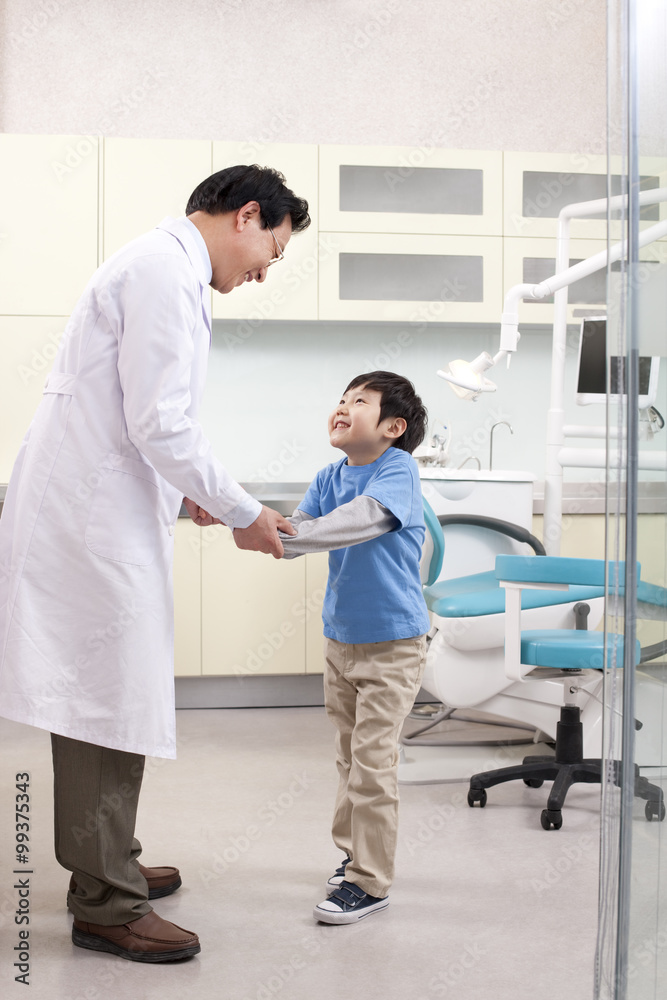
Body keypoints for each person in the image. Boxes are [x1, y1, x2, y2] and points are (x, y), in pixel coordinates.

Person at [0, 165, 310, 962]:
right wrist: (242, 511)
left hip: (99, 512)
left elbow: (144, 420)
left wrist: (190, 493)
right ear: (247, 215)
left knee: (116, 693)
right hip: (86, 526)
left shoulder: (163, 268)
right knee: (101, 701)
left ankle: (110, 860)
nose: (262, 273)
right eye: (269, 252)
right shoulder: (161, 271)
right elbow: (161, 422)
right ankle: (105, 901)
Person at [277, 370, 430, 924]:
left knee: (371, 763)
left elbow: (359, 521)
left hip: (393, 643)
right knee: (348, 759)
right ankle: (353, 858)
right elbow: (296, 536)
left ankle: (370, 881)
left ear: (394, 426)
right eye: (341, 398)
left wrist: (282, 531)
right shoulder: (328, 474)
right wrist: (244, 518)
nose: (342, 407)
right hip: (341, 641)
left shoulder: (397, 470)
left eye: (358, 401)